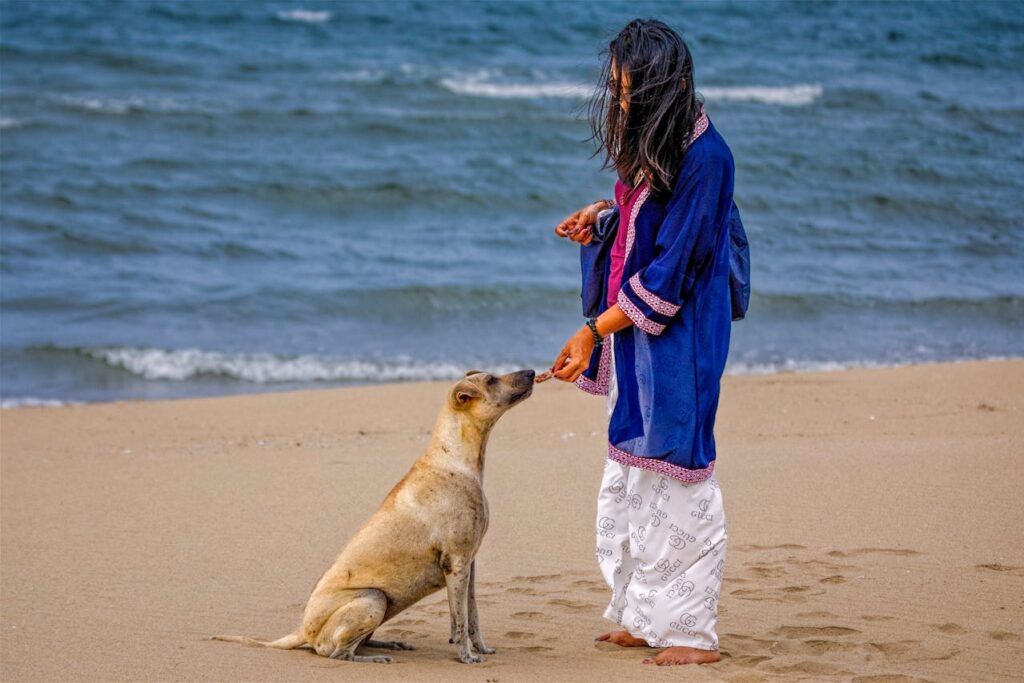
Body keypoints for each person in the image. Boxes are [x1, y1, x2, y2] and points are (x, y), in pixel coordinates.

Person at [537, 18, 748, 666]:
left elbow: (673, 271)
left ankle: (691, 632)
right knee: (632, 472)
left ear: (665, 88)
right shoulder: (656, 141)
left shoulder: (708, 159)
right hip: (638, 341)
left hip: (679, 342)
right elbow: (643, 223)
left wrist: (591, 329)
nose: (622, 104)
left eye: (632, 93)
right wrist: (604, 217)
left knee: (679, 472)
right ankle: (642, 615)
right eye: (619, 91)